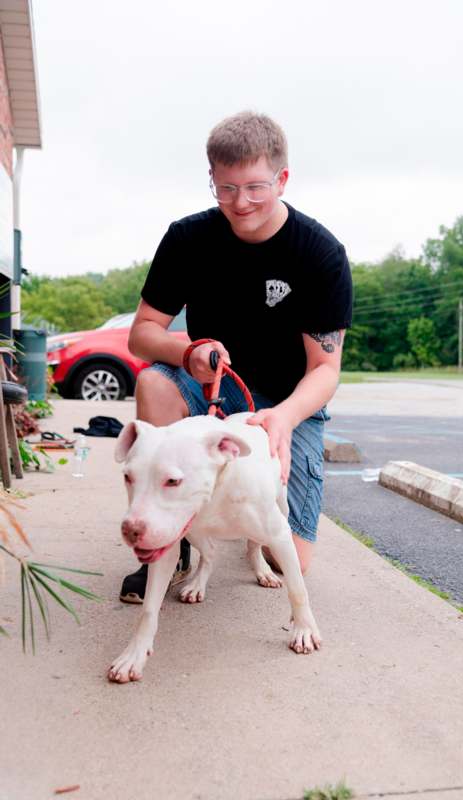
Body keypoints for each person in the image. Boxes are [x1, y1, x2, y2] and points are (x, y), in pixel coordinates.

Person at [119, 110, 353, 604]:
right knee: (153, 382)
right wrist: (189, 350)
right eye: (225, 188)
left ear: (282, 179)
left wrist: (284, 419)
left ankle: (239, 523)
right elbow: (141, 335)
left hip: (288, 401)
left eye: (255, 187)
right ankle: (169, 540)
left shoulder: (320, 253)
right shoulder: (187, 239)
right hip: (211, 387)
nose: (240, 202)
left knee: (286, 559)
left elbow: (325, 369)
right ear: (212, 179)